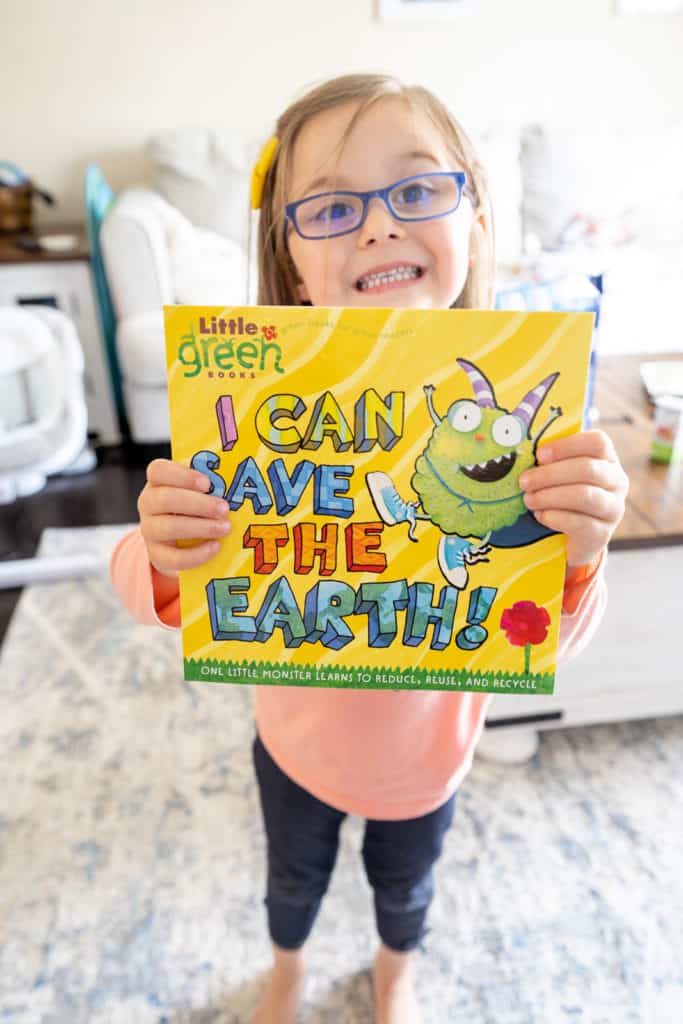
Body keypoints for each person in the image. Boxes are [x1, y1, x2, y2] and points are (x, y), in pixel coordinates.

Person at [110, 73, 629, 1024]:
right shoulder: (258, 408)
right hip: (294, 745)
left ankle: (396, 973)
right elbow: (144, 586)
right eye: (333, 205)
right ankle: (288, 969)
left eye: (418, 189)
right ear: (292, 259)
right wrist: (162, 550)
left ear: (473, 219)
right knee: (291, 882)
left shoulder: (530, 424)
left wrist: (583, 552)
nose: (379, 226)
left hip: (430, 758)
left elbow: (548, 639)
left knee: (407, 891)